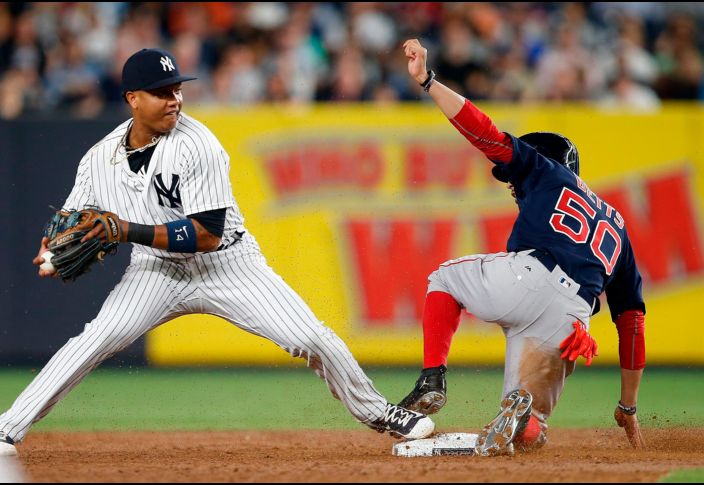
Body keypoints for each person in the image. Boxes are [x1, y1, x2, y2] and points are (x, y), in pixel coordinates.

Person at [0, 47, 434, 457]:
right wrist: (51, 248)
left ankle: (379, 411)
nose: (175, 100)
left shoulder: (197, 143)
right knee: (95, 339)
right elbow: (72, 217)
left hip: (228, 265)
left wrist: (125, 229)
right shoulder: (98, 159)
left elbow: (206, 235)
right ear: (133, 98)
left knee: (310, 338)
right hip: (156, 271)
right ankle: (7, 427)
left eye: (177, 89)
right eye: (162, 92)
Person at [398, 39, 646, 456]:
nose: (511, 186)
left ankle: (432, 379)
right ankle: (524, 420)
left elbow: (484, 132)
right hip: (571, 320)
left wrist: (428, 82)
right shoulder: (617, 225)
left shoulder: (545, 170)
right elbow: (632, 321)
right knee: (531, 431)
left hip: (530, 277)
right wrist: (628, 405)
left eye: (511, 178)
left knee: (444, 279)